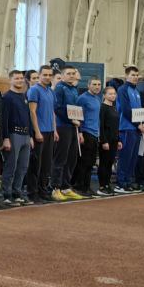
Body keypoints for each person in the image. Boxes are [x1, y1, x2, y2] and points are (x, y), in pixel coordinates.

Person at [0, 69, 31, 205]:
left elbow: (27, 117)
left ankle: (17, 193)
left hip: (25, 135)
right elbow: (4, 119)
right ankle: (6, 195)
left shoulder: (24, 96)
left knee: (23, 167)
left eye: (21, 78)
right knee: (11, 166)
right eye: (16, 78)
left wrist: (30, 136)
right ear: (10, 80)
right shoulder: (7, 97)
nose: (19, 80)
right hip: (13, 134)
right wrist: (6, 138)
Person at [50, 66, 82, 201]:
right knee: (60, 159)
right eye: (68, 74)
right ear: (62, 76)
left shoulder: (74, 89)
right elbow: (57, 108)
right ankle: (55, 188)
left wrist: (77, 120)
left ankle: (66, 187)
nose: (71, 75)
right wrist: (71, 119)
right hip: (63, 126)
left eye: (73, 73)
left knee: (71, 158)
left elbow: (75, 108)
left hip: (73, 127)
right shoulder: (60, 88)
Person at [25, 65, 55, 202]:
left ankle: (43, 191)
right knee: (36, 165)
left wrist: (55, 130)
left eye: (50, 75)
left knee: (46, 165)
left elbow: (53, 112)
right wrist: (37, 132)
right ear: (40, 75)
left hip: (50, 132)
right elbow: (32, 112)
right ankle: (32, 193)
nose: (48, 77)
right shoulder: (34, 90)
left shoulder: (50, 91)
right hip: (40, 132)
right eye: (45, 75)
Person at [73, 77, 102, 196]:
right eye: (94, 84)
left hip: (95, 134)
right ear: (88, 85)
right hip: (86, 133)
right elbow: (78, 116)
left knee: (90, 163)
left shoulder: (97, 99)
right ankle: (79, 187)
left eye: (99, 84)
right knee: (83, 162)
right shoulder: (82, 99)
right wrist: (80, 132)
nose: (97, 86)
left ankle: (86, 186)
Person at [98, 84, 120, 194]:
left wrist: (119, 139)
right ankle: (102, 186)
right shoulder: (102, 108)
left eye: (114, 94)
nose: (113, 95)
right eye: (110, 94)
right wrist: (104, 141)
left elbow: (116, 125)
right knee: (104, 163)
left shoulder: (114, 108)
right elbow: (101, 126)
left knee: (110, 163)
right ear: (104, 95)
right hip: (106, 140)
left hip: (114, 140)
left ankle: (107, 184)